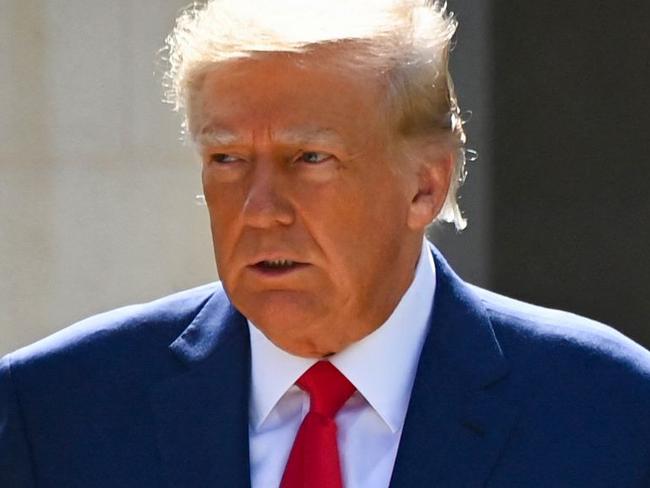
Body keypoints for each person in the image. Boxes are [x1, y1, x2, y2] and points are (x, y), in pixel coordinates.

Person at [2, 1, 649, 486]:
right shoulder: (54, 412)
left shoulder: (608, 411)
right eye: (226, 158)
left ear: (425, 185)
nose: (258, 211)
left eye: (309, 158)